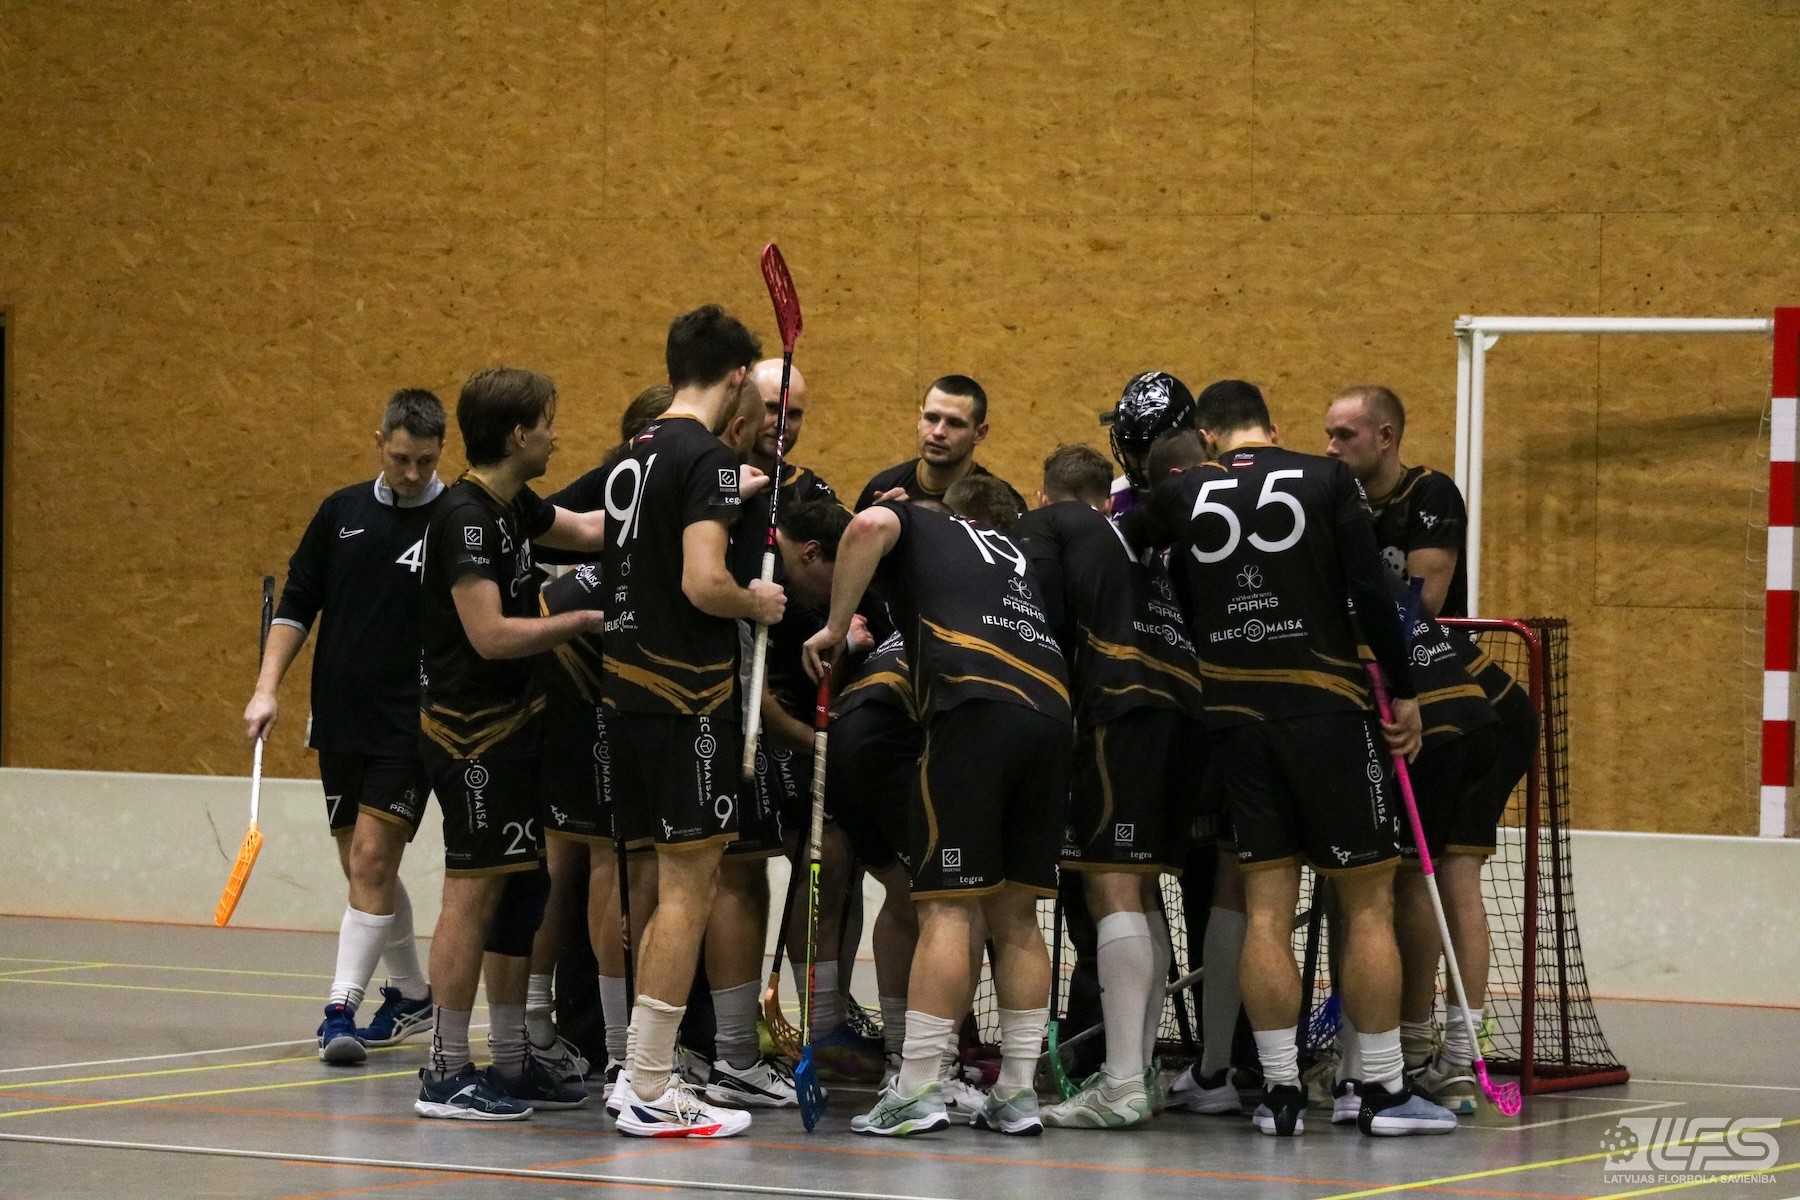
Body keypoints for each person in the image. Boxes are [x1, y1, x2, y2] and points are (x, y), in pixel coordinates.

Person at [1125, 379, 1455, 1138]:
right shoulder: (1328, 477)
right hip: (1326, 711)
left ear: (1208, 437)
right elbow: (1370, 590)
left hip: (1237, 721)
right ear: (1270, 428)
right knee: (1366, 901)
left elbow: (1138, 549)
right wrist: (1404, 691)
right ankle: (1381, 1090)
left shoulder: (1183, 491)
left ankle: (1277, 1095)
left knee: (1266, 909)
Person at [804, 473, 1072, 1139]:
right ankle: (1017, 1093)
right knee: (1017, 916)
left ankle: (917, 1088)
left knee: (947, 906)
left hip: (973, 705)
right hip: (1050, 711)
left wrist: (834, 628)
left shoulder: (921, 520)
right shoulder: (1013, 558)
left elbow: (866, 527)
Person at [1323, 383, 1534, 1110]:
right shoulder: (1338, 502)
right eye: (1327, 434)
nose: (1331, 447)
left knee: (1442, 877)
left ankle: (1446, 1050)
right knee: (1429, 878)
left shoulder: (1429, 493)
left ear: (1386, 437)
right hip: (1427, 702)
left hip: (1468, 706)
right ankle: (1426, 1051)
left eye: (1345, 435)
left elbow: (1425, 601)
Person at [603, 305, 784, 1138]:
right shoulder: (707, 455)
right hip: (686, 698)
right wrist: (758, 601)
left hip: (627, 694)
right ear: (738, 375)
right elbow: (703, 583)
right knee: (689, 888)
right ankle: (648, 1084)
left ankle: (635, 1072)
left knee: (663, 883)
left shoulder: (634, 451)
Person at [412, 366, 609, 1121]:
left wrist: (687, 503)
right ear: (519, 433)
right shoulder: (464, 517)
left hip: (519, 727)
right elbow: (490, 635)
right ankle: (445, 1069)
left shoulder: (512, 505)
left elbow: (586, 531)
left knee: (523, 894)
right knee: (472, 893)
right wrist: (580, 621)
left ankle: (512, 1058)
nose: (556, 436)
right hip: (471, 735)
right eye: (548, 423)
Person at [244, 388, 447, 1066]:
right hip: (339, 719)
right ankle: (413, 995)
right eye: (401, 458)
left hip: (412, 724)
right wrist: (266, 689)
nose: (412, 473)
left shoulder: (455, 519)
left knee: (371, 860)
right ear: (378, 443)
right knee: (363, 869)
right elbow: (298, 604)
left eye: (425, 461)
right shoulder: (342, 513)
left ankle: (339, 1011)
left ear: (441, 452)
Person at [1013, 444, 1208, 1129]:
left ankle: (1122, 1080)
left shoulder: (1053, 526)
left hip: (1119, 707)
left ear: (1044, 496)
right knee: (1141, 887)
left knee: (1110, 885)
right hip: (1184, 709)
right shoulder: (1134, 540)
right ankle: (1137, 1071)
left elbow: (1036, 617)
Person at [852, 376, 1025, 517]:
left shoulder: (1003, 504)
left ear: (979, 433)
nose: (938, 432)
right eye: (931, 418)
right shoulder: (883, 487)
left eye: (955, 423)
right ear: (919, 419)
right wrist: (884, 519)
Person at [1101, 370, 1197, 518]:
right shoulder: (1110, 505)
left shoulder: (1222, 485)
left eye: (1148, 451)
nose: (1141, 465)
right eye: (1130, 451)